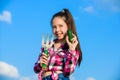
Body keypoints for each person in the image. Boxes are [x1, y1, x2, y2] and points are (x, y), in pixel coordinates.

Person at [33, 8, 82, 80]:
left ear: (68, 26)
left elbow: (68, 72)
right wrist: (40, 64)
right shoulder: (48, 45)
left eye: (60, 26)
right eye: (54, 27)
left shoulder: (71, 47)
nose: (57, 30)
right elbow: (36, 69)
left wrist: (71, 50)